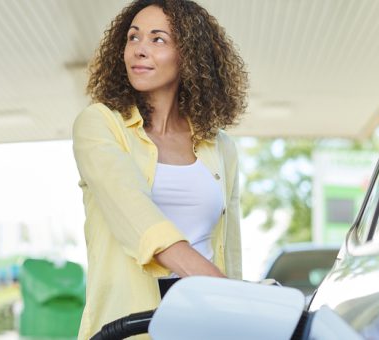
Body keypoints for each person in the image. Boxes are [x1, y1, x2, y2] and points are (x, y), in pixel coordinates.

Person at [71, 0, 248, 338]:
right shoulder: (100, 125)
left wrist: (235, 306)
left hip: (206, 318)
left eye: (158, 39)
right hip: (130, 323)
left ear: (189, 56)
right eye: (133, 37)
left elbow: (231, 245)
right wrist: (224, 288)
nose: (139, 50)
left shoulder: (220, 147)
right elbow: (133, 211)